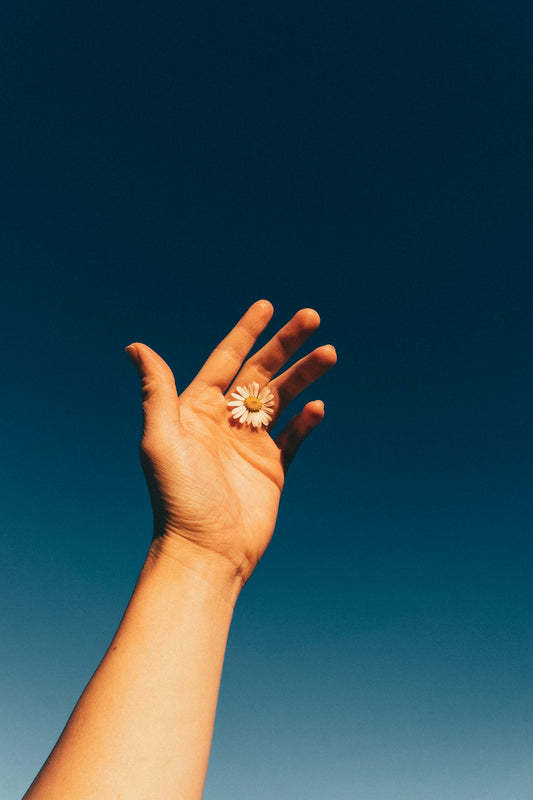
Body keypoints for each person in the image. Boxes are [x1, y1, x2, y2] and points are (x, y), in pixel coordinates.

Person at [23, 300, 337, 800]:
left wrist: (205, 557)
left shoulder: (251, 410)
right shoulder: (244, 412)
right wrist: (197, 551)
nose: (253, 405)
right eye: (251, 403)